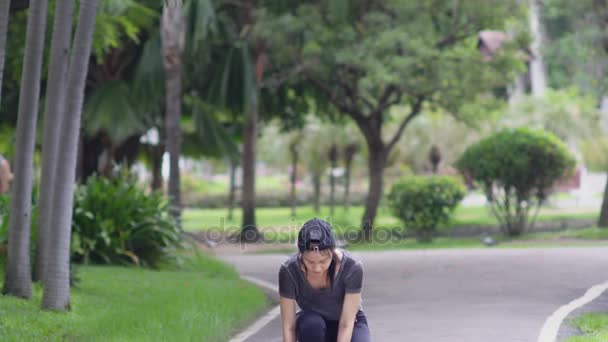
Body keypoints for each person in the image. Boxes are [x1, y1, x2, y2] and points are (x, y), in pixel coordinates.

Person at [278, 218, 371, 342]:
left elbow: (346, 324)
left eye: (323, 261)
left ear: (332, 253)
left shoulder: (352, 267)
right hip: (313, 325)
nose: (317, 268)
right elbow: (289, 327)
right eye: (310, 261)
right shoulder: (289, 270)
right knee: (312, 325)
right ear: (301, 254)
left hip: (349, 323)